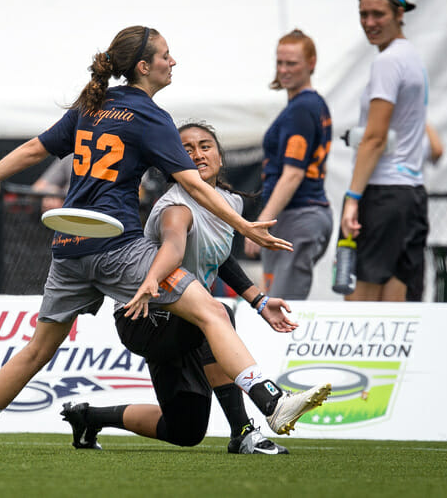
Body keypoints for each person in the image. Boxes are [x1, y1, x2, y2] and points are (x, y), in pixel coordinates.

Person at [0, 25, 329, 450]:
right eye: (165, 55)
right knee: (213, 313)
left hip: (69, 249)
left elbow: (34, 149)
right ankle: (271, 403)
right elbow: (194, 186)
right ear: (144, 67)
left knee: (36, 351)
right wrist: (245, 226)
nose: (172, 61)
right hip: (118, 248)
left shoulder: (92, 105)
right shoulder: (150, 116)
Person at [61, 122, 295, 454]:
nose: (198, 154)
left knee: (185, 429)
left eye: (205, 145)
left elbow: (221, 256)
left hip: (188, 320)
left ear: (220, 155)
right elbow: (174, 244)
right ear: (173, 159)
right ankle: (248, 425)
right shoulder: (176, 207)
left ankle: (88, 417)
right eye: (186, 149)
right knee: (217, 312)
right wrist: (154, 279)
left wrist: (259, 300)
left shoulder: (230, 203)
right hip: (144, 316)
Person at [340, 0, 429, 302]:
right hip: (410, 194)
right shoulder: (411, 57)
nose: (369, 23)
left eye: (378, 14)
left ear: (399, 13)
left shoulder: (388, 61)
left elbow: (375, 138)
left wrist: (352, 198)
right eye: (363, 14)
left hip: (383, 194)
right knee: (398, 301)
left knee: (359, 299)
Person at [244, 29, 333, 300]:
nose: (283, 70)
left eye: (291, 63)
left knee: (282, 308)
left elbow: (292, 174)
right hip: (301, 215)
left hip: (299, 215)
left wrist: (259, 225)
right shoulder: (309, 104)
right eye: (279, 62)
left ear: (311, 63)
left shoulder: (302, 109)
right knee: (276, 303)